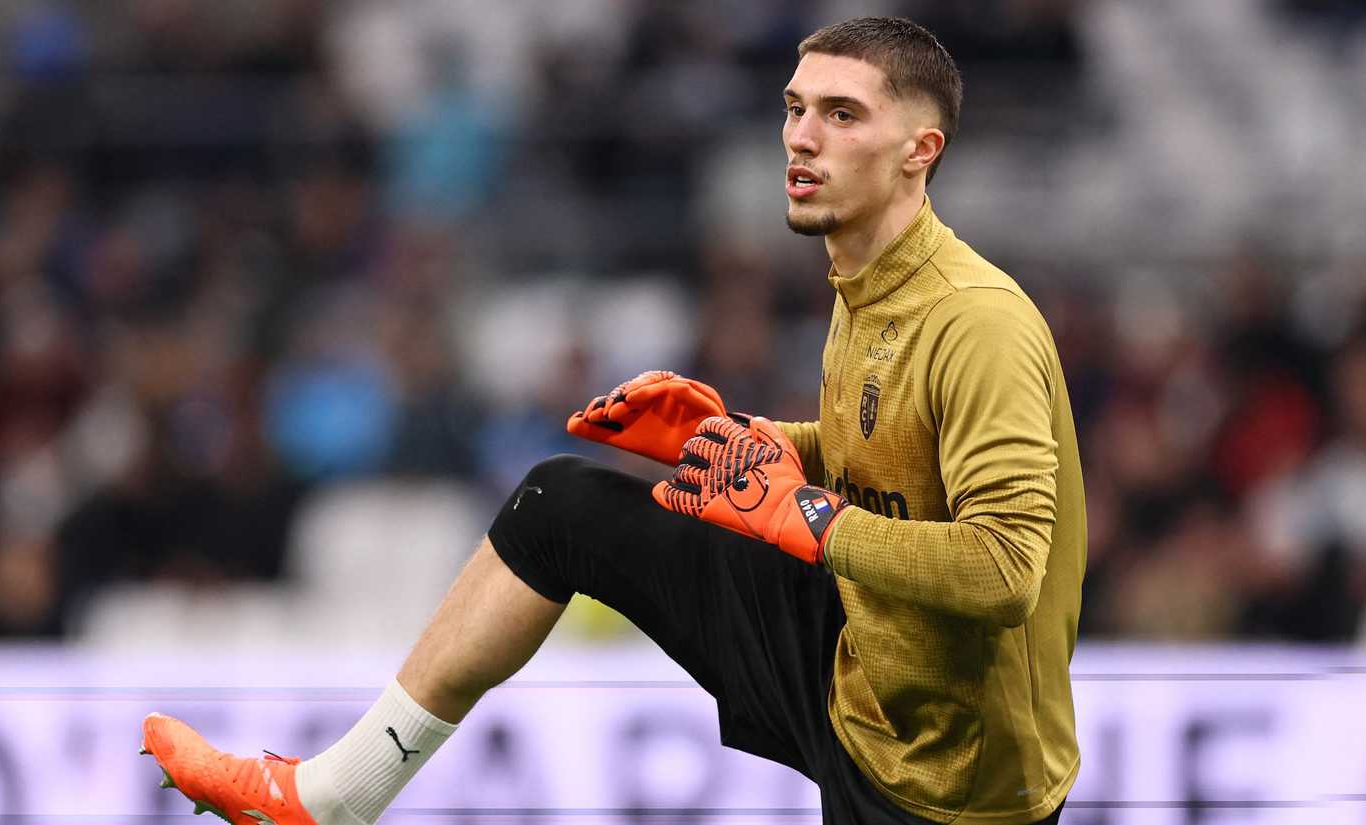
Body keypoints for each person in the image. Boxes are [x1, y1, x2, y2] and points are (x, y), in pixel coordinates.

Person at [140, 16, 1084, 825]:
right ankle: (331, 795)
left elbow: (1004, 568)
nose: (802, 138)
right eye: (795, 108)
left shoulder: (977, 324)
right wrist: (729, 440)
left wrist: (807, 518)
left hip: (963, 784)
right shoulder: (864, 280)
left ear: (922, 150)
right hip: (861, 666)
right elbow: (878, 457)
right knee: (561, 507)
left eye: (843, 115)